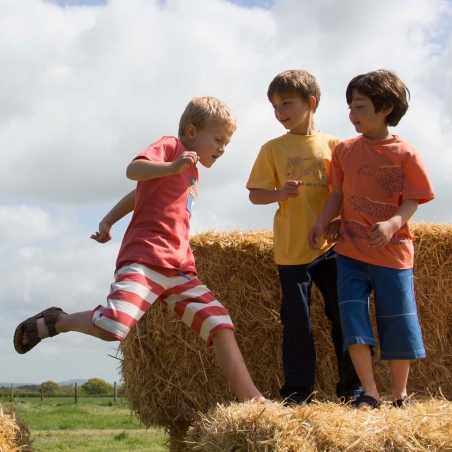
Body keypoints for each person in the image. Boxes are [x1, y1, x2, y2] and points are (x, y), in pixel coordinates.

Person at [14, 95, 266, 404]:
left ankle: (254, 402)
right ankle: (59, 321)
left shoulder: (193, 173)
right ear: (191, 131)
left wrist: (108, 219)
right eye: (218, 139)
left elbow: (140, 192)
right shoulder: (172, 147)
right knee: (111, 326)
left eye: (227, 142)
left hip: (179, 269)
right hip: (145, 260)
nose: (223, 148)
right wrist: (172, 164)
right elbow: (135, 170)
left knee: (220, 323)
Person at [308, 69, 435, 409]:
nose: (352, 115)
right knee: (353, 318)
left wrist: (394, 224)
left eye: (360, 107)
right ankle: (369, 392)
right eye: (350, 107)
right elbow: (337, 194)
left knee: (398, 320)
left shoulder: (406, 153)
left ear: (386, 108)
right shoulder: (345, 151)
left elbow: (413, 199)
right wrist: (324, 222)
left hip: (393, 255)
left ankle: (400, 395)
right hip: (349, 252)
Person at [246, 69, 361, 405]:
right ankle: (298, 392)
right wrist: (279, 193)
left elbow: (348, 192)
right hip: (291, 251)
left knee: (343, 317)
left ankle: (351, 389)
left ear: (310, 103)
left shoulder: (336, 146)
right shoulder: (272, 148)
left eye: (286, 103)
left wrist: (339, 219)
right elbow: (255, 194)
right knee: (297, 323)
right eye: (275, 106)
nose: (280, 111)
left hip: (332, 249)